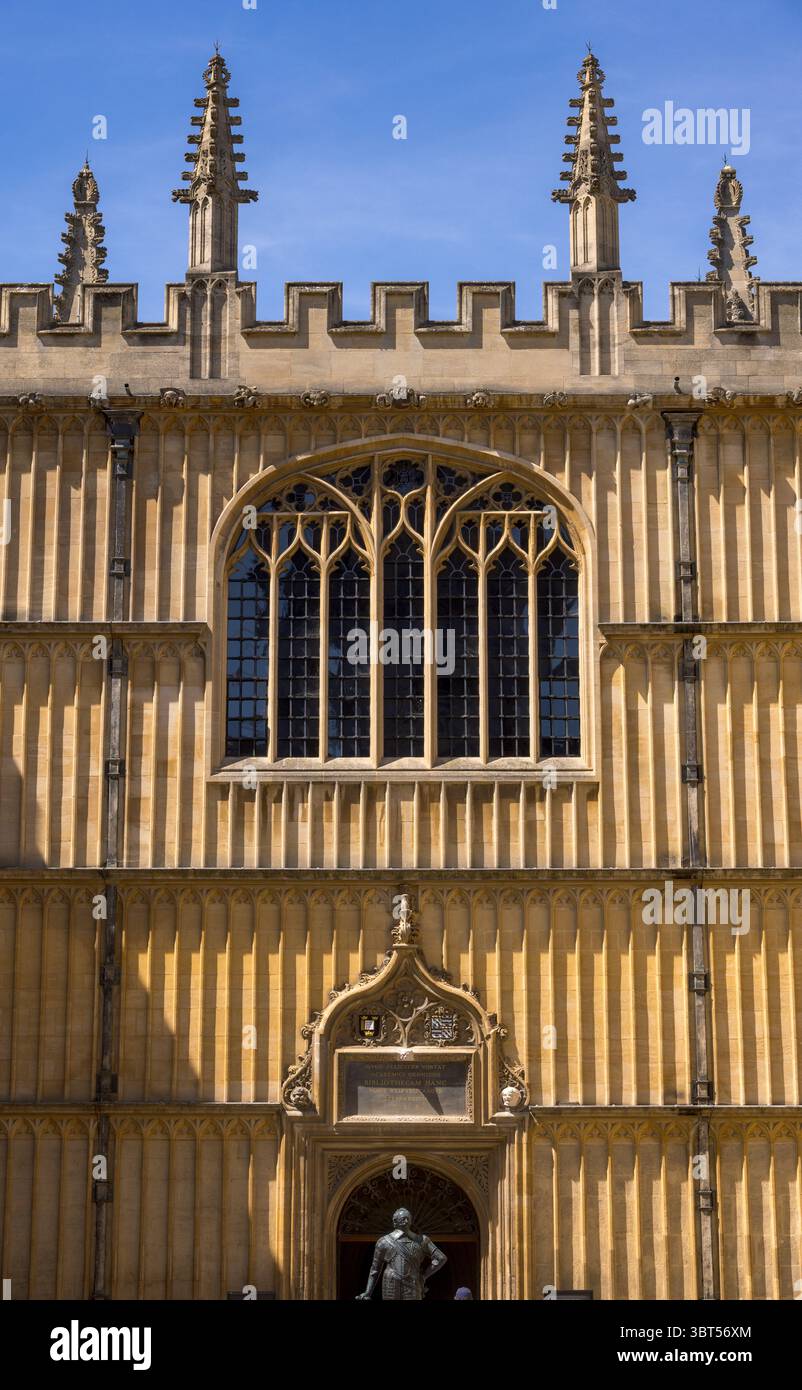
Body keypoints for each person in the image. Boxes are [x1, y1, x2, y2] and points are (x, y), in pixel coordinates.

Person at [356, 1207, 447, 1301]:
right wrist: (368, 1291)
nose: (406, 1220)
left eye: (408, 1218)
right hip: (391, 1284)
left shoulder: (422, 1240)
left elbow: (441, 1258)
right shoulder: (384, 1242)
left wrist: (424, 1276)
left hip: (412, 1282)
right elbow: (375, 1269)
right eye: (403, 1218)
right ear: (395, 1221)